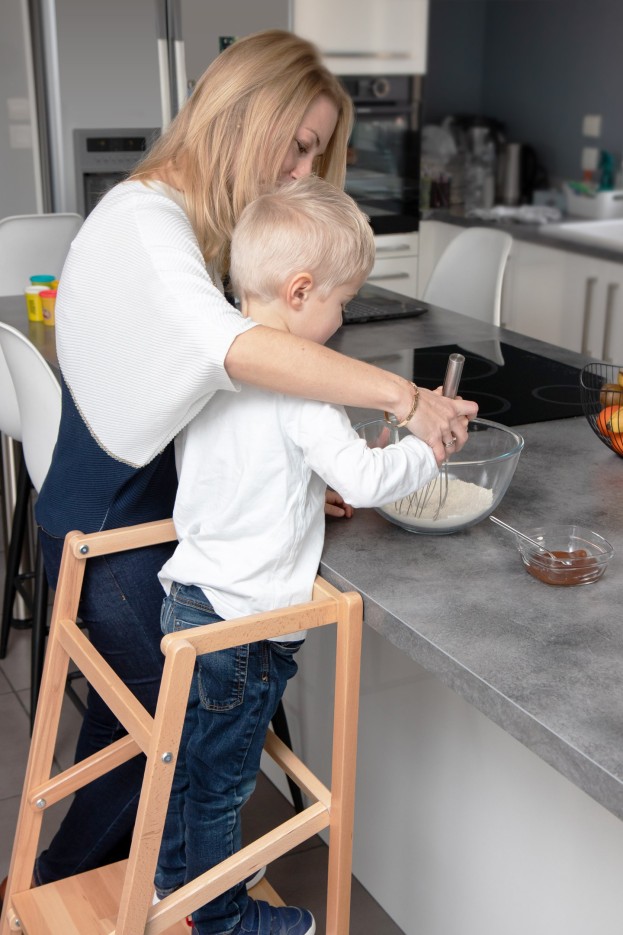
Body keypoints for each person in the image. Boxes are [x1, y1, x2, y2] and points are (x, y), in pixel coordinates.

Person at [9, 27, 476, 906]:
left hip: (138, 518)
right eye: (298, 144)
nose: (304, 171)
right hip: (113, 532)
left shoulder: (188, 221)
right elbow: (240, 351)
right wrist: (404, 400)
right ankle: (97, 893)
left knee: (136, 744)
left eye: (317, 154)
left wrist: (289, 483)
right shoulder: (150, 225)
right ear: (245, 111)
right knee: (172, 741)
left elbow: (213, 414)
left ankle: (116, 885)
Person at [153, 174, 441, 935]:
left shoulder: (215, 363)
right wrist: (425, 449)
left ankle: (172, 885)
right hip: (245, 627)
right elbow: (368, 478)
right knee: (223, 781)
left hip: (188, 600)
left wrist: (307, 493)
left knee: (190, 766)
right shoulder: (304, 391)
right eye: (343, 301)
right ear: (302, 290)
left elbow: (238, 475)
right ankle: (218, 919)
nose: (344, 318)